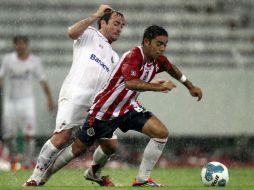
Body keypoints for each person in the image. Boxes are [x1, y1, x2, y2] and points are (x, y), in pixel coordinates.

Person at [36, 25, 203, 187]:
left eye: (165, 45)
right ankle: (44, 176)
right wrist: (158, 87)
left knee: (161, 133)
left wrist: (190, 86)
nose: (162, 48)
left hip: (128, 108)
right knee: (80, 148)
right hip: (105, 110)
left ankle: (141, 180)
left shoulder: (158, 60)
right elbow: (131, 83)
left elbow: (171, 68)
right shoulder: (133, 56)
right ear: (146, 42)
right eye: (159, 44)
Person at [23, 4, 125, 187]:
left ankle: (94, 172)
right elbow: (71, 32)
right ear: (103, 22)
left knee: (110, 145)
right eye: (116, 23)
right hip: (75, 93)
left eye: (122, 26)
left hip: (96, 105)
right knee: (62, 137)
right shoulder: (90, 34)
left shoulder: (115, 57)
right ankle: (35, 177)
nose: (119, 29)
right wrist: (96, 14)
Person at [0, 35, 55, 171]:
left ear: (26, 45)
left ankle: (27, 162)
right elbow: (1, 77)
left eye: (23, 44)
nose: (20, 46)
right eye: (18, 44)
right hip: (10, 100)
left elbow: (43, 81)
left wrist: (49, 99)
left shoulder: (34, 61)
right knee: (7, 135)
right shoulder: (8, 60)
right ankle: (13, 158)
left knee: (29, 134)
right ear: (15, 45)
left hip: (27, 101)